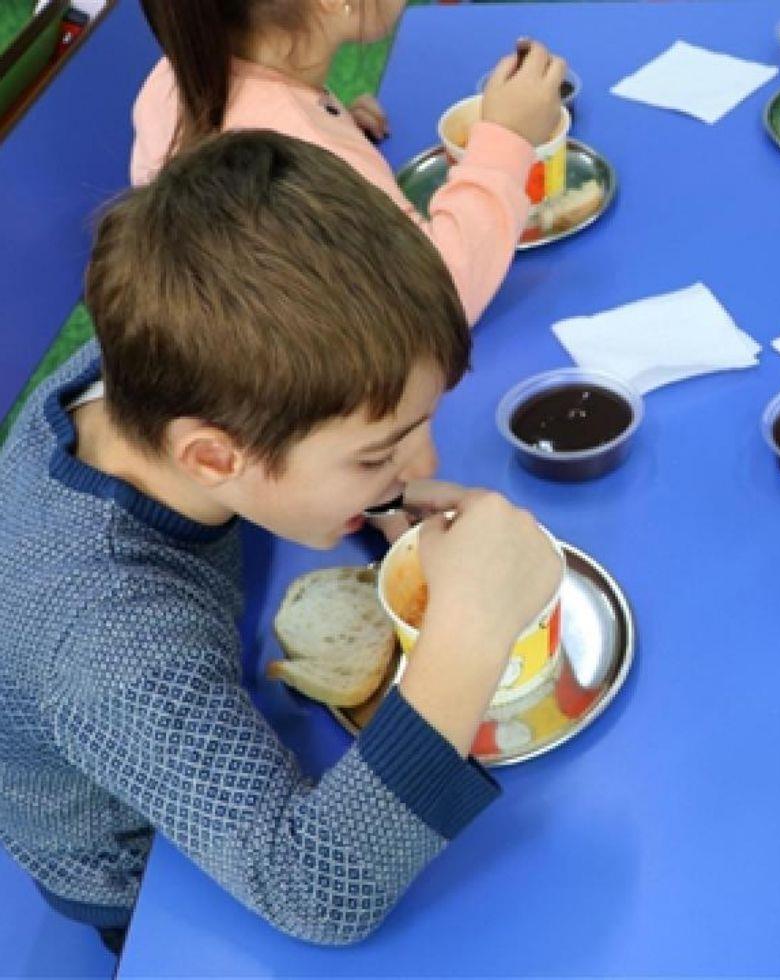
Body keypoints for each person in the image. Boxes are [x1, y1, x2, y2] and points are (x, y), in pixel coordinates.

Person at [0, 131, 561, 953]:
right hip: (147, 879)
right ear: (212, 458)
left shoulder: (153, 367)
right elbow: (315, 894)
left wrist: (373, 497)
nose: (426, 466)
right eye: (377, 453)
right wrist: (471, 632)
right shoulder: (111, 644)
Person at [134, 0, 566, 325]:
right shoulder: (302, 153)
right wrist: (508, 139)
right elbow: (440, 300)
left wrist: (334, 121)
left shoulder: (182, 71)